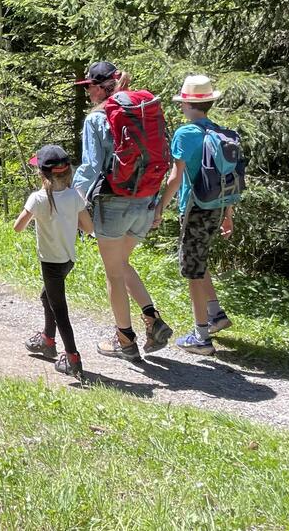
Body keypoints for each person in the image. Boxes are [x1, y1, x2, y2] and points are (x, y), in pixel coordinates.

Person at [73, 61, 174, 361]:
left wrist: (72, 205)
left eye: (89, 86)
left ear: (101, 86)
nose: (87, 91)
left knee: (114, 273)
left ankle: (124, 341)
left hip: (114, 201)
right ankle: (152, 319)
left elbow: (91, 168)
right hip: (144, 201)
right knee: (123, 262)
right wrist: (156, 203)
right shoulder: (143, 111)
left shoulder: (97, 119)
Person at [153, 76, 237, 356]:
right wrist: (228, 213)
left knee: (192, 269)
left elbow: (176, 177)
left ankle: (201, 336)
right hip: (216, 206)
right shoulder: (220, 132)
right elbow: (228, 176)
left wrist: (159, 207)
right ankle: (215, 314)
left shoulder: (185, 134)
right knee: (198, 259)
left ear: (187, 104)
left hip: (195, 208)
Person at [14, 145, 95, 377]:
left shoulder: (38, 199)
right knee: (46, 296)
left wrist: (33, 214)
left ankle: (72, 357)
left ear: (42, 174)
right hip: (68, 259)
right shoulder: (74, 197)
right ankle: (47, 340)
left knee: (60, 310)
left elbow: (17, 227)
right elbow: (88, 228)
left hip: (50, 262)